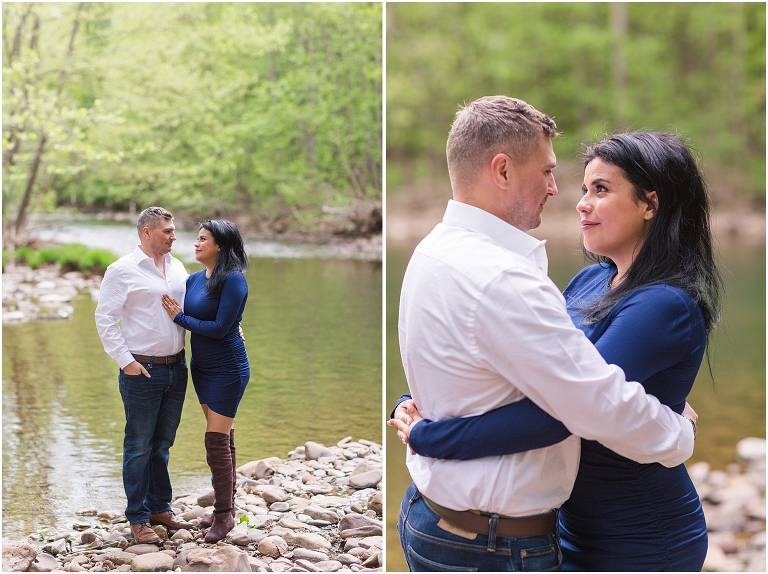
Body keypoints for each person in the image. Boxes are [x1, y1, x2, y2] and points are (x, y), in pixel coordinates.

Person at [388, 96, 698, 572]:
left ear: (650, 204)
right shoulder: (576, 280)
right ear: (502, 170)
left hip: (634, 529)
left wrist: (431, 434)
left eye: (599, 189)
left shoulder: (437, 250)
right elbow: (546, 385)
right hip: (531, 531)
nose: (568, 195)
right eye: (552, 173)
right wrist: (420, 402)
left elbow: (567, 406)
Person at [95, 206, 193, 545]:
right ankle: (137, 517)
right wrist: (126, 362)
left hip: (177, 367)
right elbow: (105, 319)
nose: (174, 236)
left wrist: (232, 322)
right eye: (167, 231)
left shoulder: (178, 268)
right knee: (138, 446)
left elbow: (193, 307)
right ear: (146, 232)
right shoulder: (121, 270)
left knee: (162, 443)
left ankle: (159, 507)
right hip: (142, 370)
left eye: (173, 230)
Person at [161, 219, 250, 543]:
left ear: (220, 246)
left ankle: (224, 515)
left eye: (203, 239)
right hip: (202, 366)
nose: (196, 244)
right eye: (197, 238)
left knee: (215, 439)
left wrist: (179, 317)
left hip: (228, 368)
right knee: (222, 438)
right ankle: (226, 508)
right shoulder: (195, 279)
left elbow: (220, 328)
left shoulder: (234, 280)